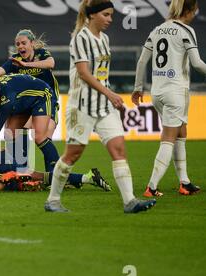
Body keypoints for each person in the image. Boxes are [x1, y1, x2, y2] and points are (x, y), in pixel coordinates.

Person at [45, 0, 156, 214]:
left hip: (104, 106)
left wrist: (110, 97)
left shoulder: (104, 39)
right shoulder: (80, 38)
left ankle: (129, 201)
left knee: (118, 149)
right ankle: (53, 200)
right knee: (72, 155)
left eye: (111, 15)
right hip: (82, 105)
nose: (110, 19)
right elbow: (84, 73)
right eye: (106, 15)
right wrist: (111, 94)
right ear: (93, 15)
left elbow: (101, 75)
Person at [132, 0, 205, 197]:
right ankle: (151, 187)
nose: (195, 14)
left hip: (157, 91)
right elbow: (197, 63)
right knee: (169, 138)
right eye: (195, 10)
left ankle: (185, 182)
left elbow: (142, 61)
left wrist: (138, 88)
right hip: (175, 92)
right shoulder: (185, 31)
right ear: (189, 11)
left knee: (181, 131)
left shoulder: (157, 30)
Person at [0, 29, 60, 171]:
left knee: (42, 137)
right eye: (17, 44)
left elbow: (51, 64)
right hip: (24, 102)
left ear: (32, 43)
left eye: (23, 43)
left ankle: (54, 175)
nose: (20, 46)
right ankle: (22, 170)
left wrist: (26, 65)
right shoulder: (14, 61)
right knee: (13, 133)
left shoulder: (41, 54)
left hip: (46, 98)